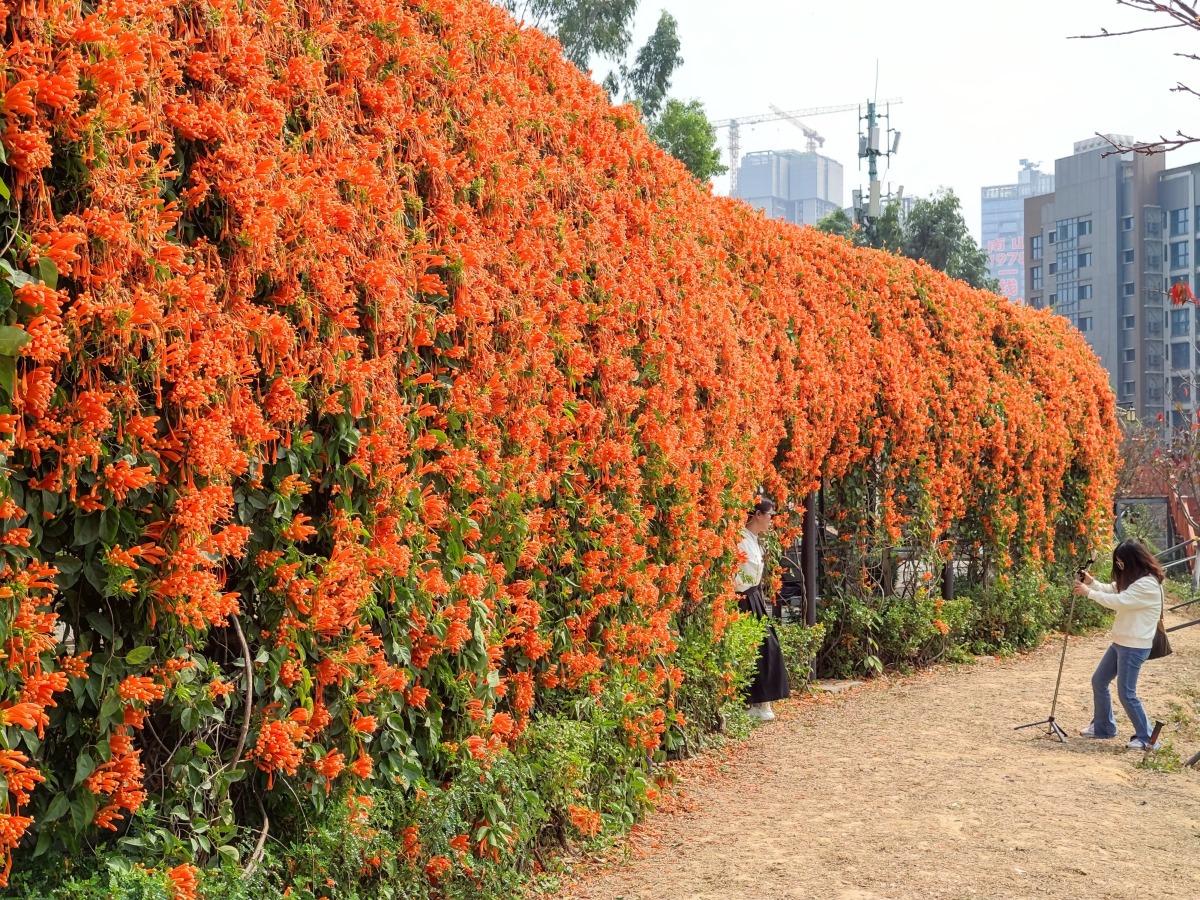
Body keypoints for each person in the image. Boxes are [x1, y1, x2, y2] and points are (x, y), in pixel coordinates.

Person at [1073, 540, 1166, 750]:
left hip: (1134, 646)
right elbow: (1114, 590)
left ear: (1133, 561)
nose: (1120, 566)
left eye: (1122, 562)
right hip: (1121, 642)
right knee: (1099, 681)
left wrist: (1088, 593)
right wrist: (1092, 582)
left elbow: (1120, 601)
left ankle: (1148, 738)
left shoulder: (1148, 585)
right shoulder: (1136, 579)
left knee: (1127, 693)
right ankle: (1104, 727)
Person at [735, 497, 790, 721]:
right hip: (743, 598)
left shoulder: (754, 539)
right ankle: (754, 703)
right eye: (769, 515)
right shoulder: (740, 539)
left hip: (754, 596)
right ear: (757, 515)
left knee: (768, 646)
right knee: (759, 647)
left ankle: (761, 702)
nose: (771, 520)